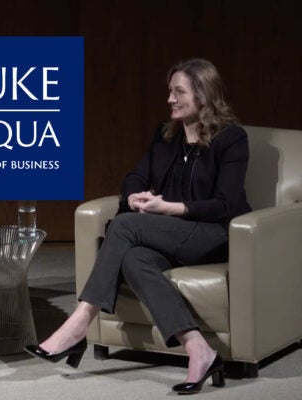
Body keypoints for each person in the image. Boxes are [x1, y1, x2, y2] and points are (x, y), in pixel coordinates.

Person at [25, 58, 251, 395]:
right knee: (132, 258)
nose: (170, 99)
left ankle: (79, 323)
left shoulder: (232, 139)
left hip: (214, 234)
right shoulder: (166, 135)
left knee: (125, 227)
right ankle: (199, 349)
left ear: (203, 94)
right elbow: (135, 176)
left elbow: (224, 205)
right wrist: (134, 197)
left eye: (179, 92)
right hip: (171, 234)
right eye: (170, 91)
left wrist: (167, 208)